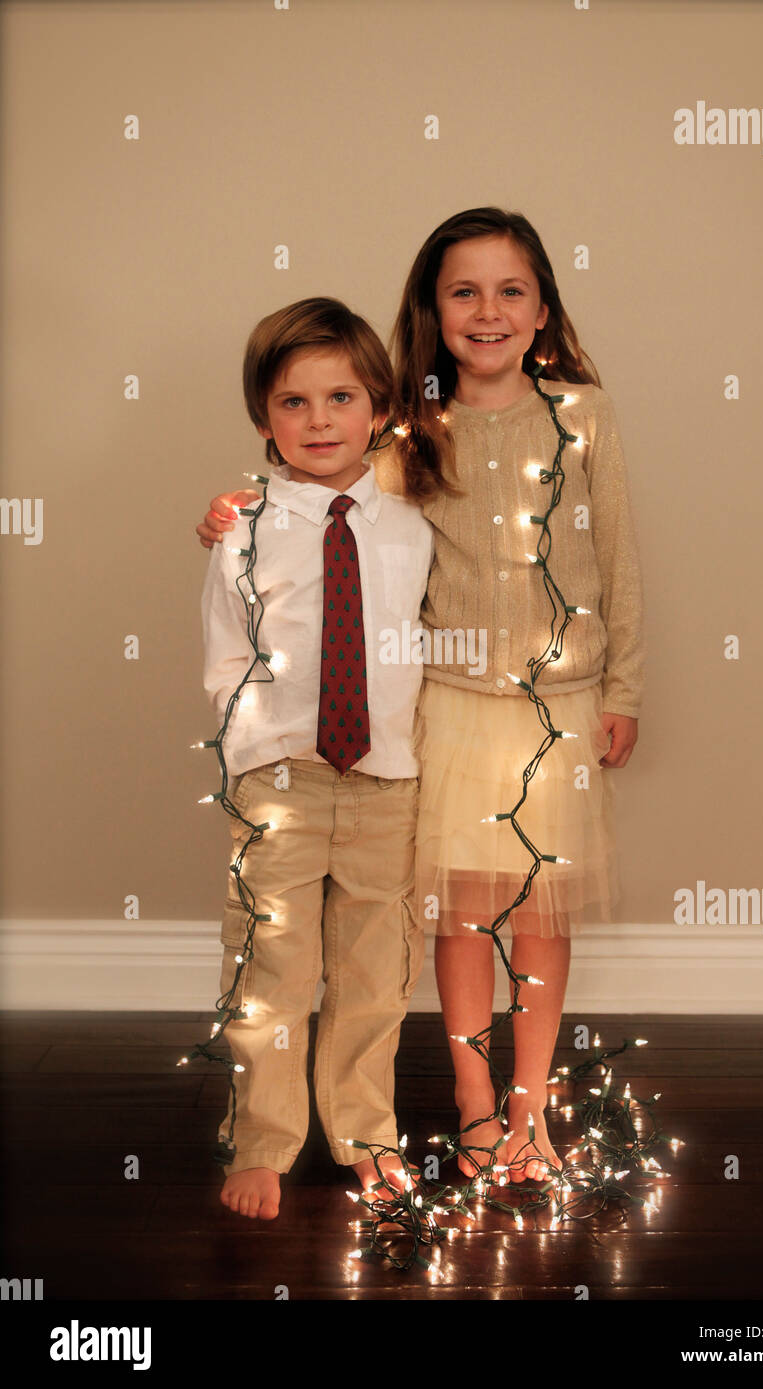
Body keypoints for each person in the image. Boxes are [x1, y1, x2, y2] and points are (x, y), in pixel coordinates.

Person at [197, 208, 645, 1187]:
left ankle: (529, 1115)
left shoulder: (582, 416)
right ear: (432, 309)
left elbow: (617, 555)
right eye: (462, 291)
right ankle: (474, 1107)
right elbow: (327, 491)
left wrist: (623, 686)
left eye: (509, 290)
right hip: (445, 706)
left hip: (556, 707)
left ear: (539, 310)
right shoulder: (410, 423)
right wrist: (236, 509)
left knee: (539, 915)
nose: (486, 310)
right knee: (455, 915)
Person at [201, 297, 433, 1219]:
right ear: (266, 420)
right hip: (282, 779)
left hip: (386, 779)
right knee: (273, 968)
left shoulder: (412, 525)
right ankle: (263, 1140)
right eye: (295, 403)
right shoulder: (245, 527)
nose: (321, 420)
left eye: (341, 397)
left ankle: (365, 1137)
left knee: (377, 975)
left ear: (378, 406)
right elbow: (224, 651)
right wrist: (250, 746)